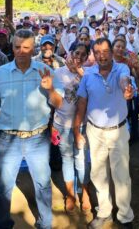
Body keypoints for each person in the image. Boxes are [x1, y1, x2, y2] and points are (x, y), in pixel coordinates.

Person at [0, 29, 64, 229]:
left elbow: (58, 103)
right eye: (17, 47)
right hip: (8, 140)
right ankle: (3, 224)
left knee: (43, 185)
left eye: (26, 47)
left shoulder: (46, 72)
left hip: (38, 138)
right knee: (3, 188)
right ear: (12, 47)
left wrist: (50, 89)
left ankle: (45, 223)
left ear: (33, 48)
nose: (21, 51)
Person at [74, 38, 135, 229]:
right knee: (98, 174)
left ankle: (125, 216)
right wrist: (77, 130)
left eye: (106, 51)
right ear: (93, 53)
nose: (102, 56)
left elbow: (125, 80)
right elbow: (82, 102)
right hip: (95, 131)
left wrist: (126, 89)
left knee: (121, 175)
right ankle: (104, 212)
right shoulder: (88, 75)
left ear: (111, 52)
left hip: (118, 131)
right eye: (98, 52)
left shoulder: (121, 69)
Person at [53, 44, 92, 213]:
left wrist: (79, 72)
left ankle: (85, 193)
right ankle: (70, 194)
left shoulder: (89, 73)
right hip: (62, 125)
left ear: (87, 57)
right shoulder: (58, 73)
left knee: (82, 160)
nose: (79, 57)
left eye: (83, 54)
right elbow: (53, 102)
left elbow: (93, 94)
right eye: (77, 53)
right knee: (67, 159)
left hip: (83, 125)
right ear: (70, 53)